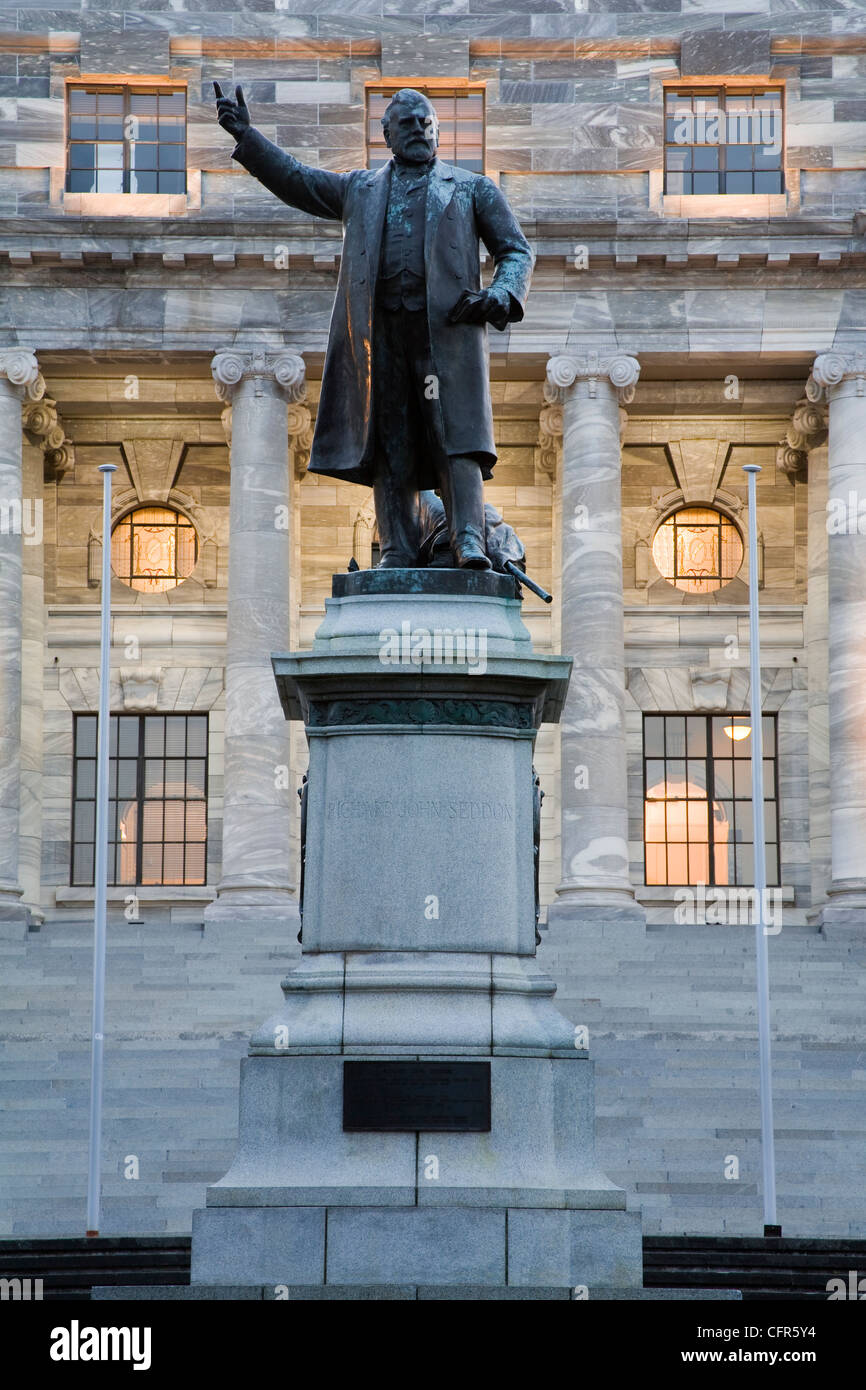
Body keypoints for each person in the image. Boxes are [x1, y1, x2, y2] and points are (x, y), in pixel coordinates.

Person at [214, 82, 533, 569]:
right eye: (408, 124)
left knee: (457, 436)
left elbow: (515, 250)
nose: (420, 131)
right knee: (390, 441)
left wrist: (501, 293)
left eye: (428, 124)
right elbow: (297, 180)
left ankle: (468, 539)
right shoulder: (359, 189)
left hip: (446, 332)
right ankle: (398, 547)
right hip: (379, 335)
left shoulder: (472, 188)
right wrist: (248, 137)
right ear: (386, 134)